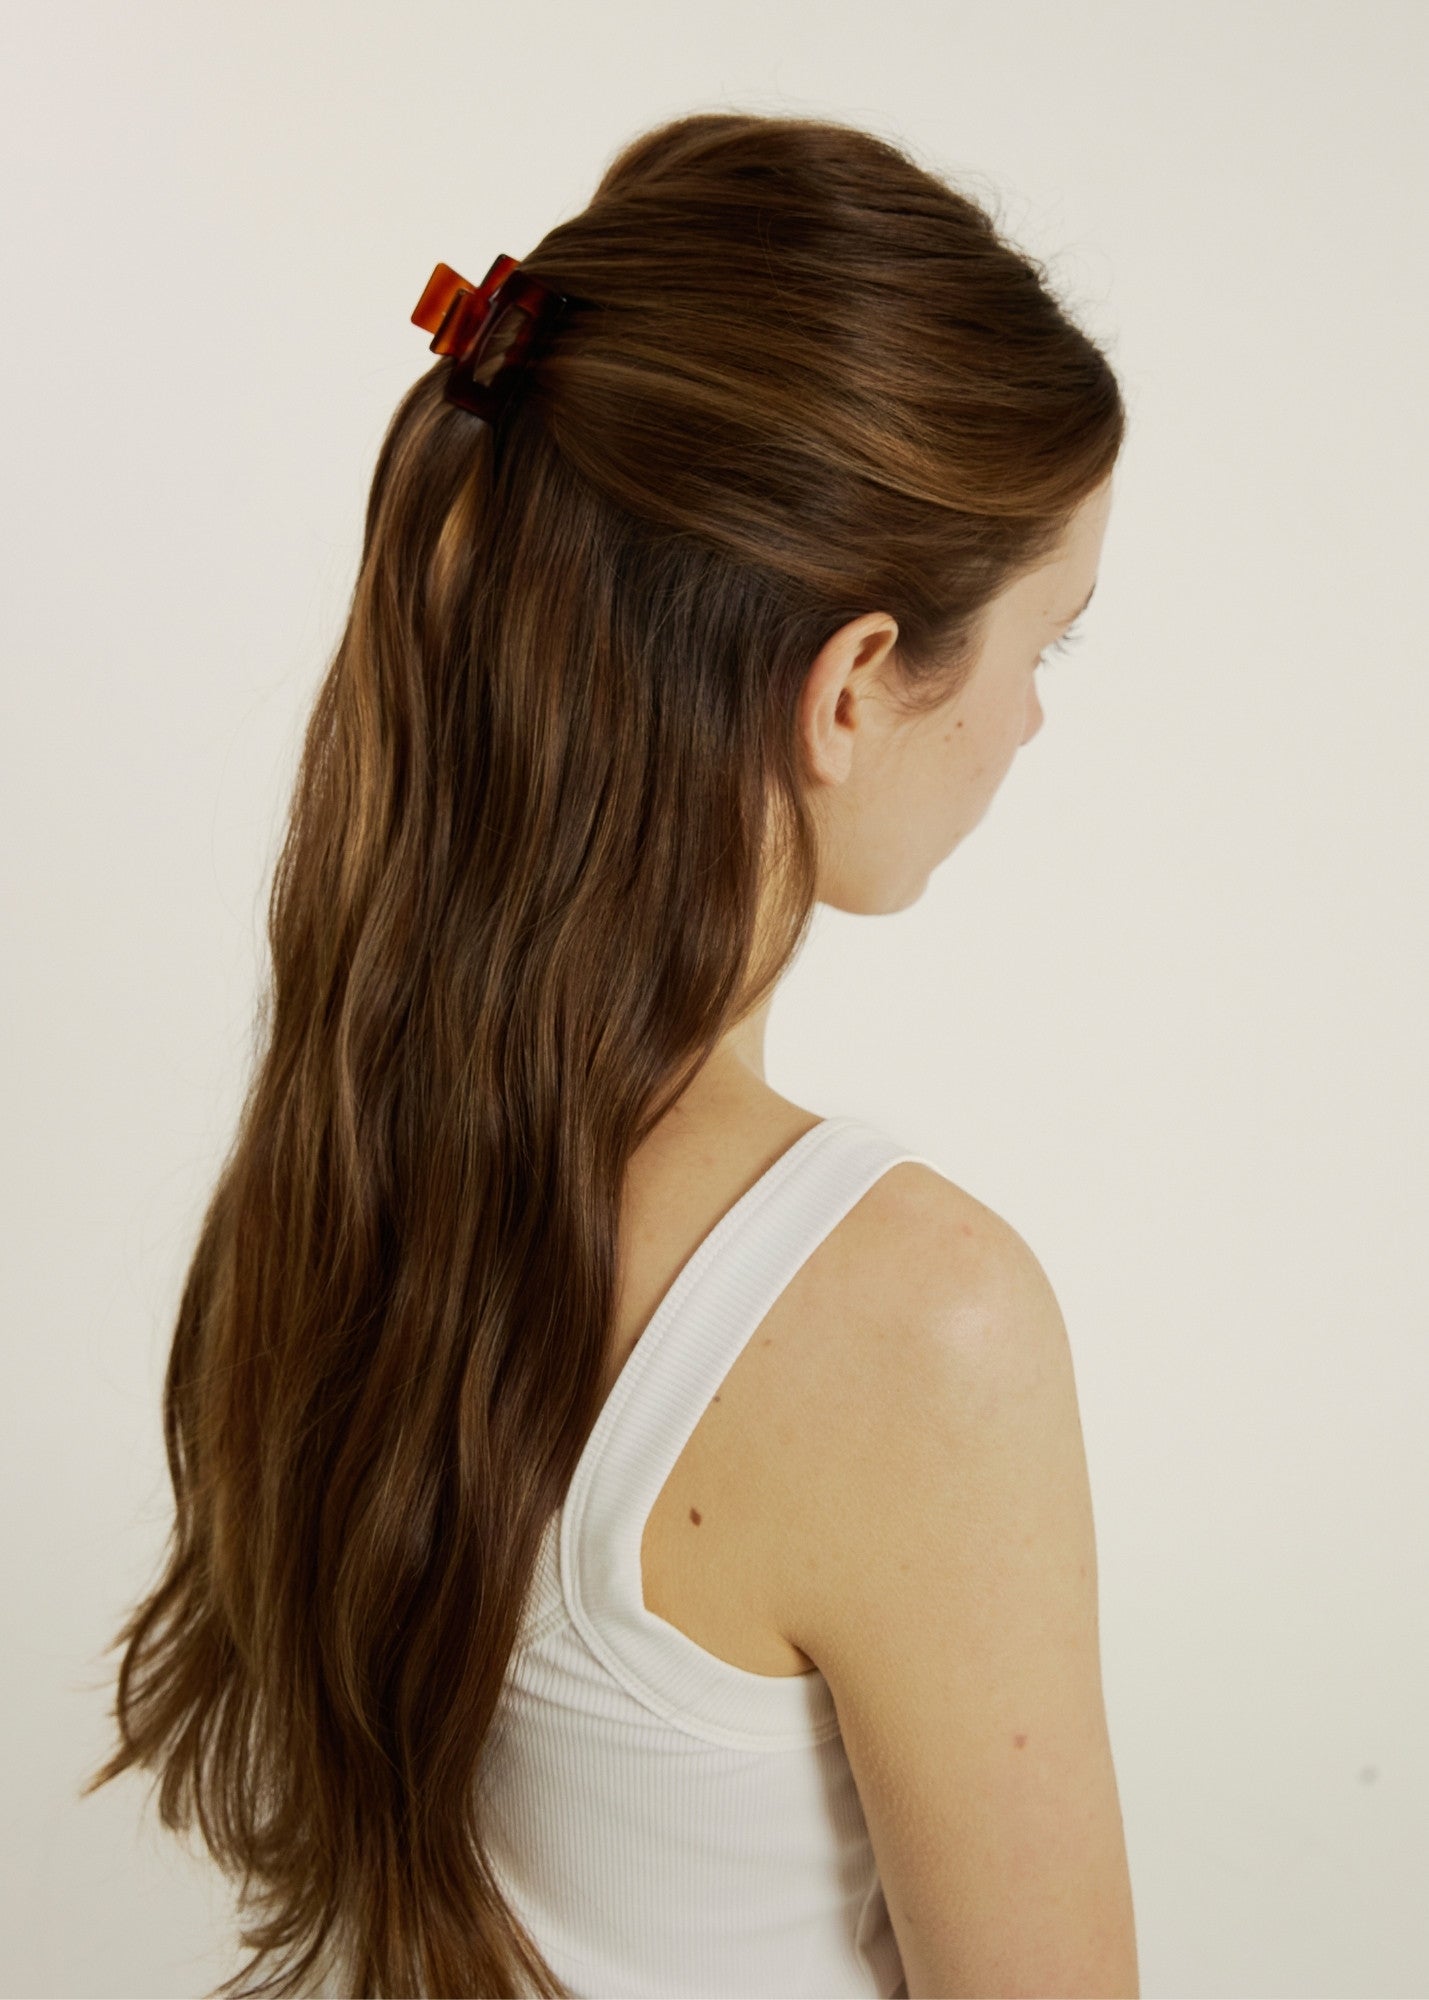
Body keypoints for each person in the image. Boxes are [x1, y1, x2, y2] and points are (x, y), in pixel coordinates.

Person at [84, 110, 1137, 1999]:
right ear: (848, 686)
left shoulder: (339, 1166)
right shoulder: (914, 1321)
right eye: (1048, 644)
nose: (1033, 724)